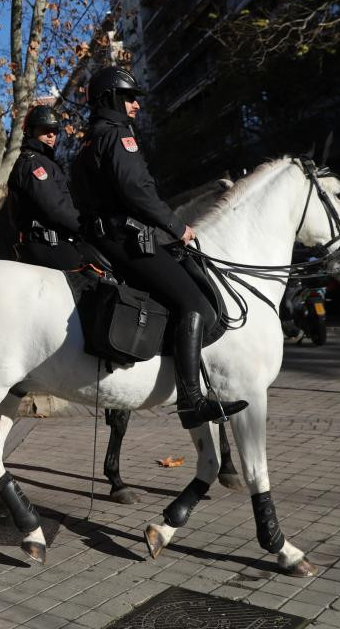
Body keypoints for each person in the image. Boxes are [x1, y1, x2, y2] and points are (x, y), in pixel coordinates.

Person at [70, 66, 247, 428]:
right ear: (111, 99)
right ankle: (191, 401)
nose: (135, 105)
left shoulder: (89, 139)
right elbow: (138, 191)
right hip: (123, 239)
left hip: (100, 237)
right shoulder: (118, 136)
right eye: (129, 97)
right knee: (195, 303)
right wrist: (176, 226)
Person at [8, 104, 84, 270]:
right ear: (30, 131)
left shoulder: (46, 162)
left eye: (55, 130)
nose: (51, 134)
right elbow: (53, 207)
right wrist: (85, 228)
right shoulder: (33, 163)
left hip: (56, 242)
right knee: (91, 282)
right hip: (47, 245)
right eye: (45, 129)